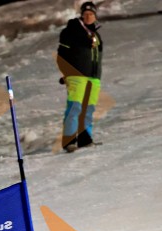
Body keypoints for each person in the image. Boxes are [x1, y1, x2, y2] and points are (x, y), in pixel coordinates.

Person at [58, 1, 103, 151]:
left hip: (93, 77)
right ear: (82, 16)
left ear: (95, 16)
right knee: (75, 107)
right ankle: (69, 140)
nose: (88, 16)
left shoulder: (96, 35)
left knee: (88, 109)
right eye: (86, 14)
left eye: (91, 14)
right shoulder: (72, 31)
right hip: (77, 75)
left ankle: (85, 139)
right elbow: (62, 54)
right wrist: (67, 73)